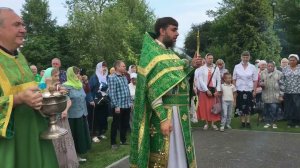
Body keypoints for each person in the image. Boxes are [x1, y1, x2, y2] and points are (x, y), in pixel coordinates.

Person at [130, 17, 199, 168]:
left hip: (180, 115)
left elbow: (176, 76)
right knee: (167, 157)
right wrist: (163, 119)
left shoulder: (170, 54)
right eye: (173, 29)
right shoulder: (153, 55)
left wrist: (191, 65)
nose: (177, 33)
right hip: (167, 114)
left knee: (181, 156)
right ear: (162, 31)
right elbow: (152, 90)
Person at [0, 7, 58, 168]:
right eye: (17, 25)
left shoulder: (21, 57)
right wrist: (18, 99)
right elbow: (20, 95)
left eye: (23, 25)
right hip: (11, 142)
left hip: (36, 132)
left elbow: (30, 90)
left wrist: (48, 92)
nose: (23, 30)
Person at [41, 67, 79, 168]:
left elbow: (68, 100)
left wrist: (65, 110)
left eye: (58, 75)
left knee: (66, 141)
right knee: (55, 144)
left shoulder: (60, 88)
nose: (58, 78)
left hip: (62, 118)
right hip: (49, 122)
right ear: (48, 77)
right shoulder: (42, 88)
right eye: (55, 76)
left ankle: (69, 163)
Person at [63, 66, 91, 162]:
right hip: (72, 116)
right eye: (75, 73)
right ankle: (73, 156)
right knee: (74, 136)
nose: (77, 75)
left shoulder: (79, 84)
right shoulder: (66, 86)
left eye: (78, 73)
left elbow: (84, 96)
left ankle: (79, 154)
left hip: (82, 114)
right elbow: (65, 101)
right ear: (71, 74)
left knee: (81, 135)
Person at [108, 60, 131, 150]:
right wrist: (116, 105)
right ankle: (113, 143)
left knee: (125, 123)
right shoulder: (112, 78)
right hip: (118, 106)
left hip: (126, 104)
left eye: (125, 66)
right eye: (123, 66)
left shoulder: (124, 77)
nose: (125, 67)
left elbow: (127, 90)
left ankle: (123, 140)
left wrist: (130, 102)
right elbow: (112, 93)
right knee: (115, 124)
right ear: (117, 67)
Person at [195, 53, 221, 130]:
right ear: (206, 59)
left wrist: (218, 90)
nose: (210, 59)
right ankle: (206, 123)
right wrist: (206, 90)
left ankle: (213, 124)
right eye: (209, 58)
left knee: (214, 107)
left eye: (212, 58)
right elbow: (200, 80)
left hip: (213, 90)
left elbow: (218, 80)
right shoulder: (201, 68)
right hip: (204, 90)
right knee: (205, 107)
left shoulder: (216, 68)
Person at [233, 51, 258, 128]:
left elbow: (255, 80)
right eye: (244, 57)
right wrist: (234, 90)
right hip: (239, 89)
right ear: (241, 57)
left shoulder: (253, 67)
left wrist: (254, 90)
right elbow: (234, 79)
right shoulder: (237, 66)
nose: (245, 59)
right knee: (240, 106)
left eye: (247, 57)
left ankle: (248, 122)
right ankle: (243, 122)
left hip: (249, 89)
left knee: (249, 106)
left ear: (249, 57)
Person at [88, 62, 109, 142]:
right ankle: (94, 135)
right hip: (95, 101)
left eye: (105, 66)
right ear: (98, 67)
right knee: (95, 119)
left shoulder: (106, 77)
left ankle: (101, 132)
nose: (104, 68)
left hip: (104, 101)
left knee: (103, 118)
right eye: (102, 66)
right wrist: (91, 99)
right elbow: (89, 89)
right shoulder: (94, 77)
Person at [279, 54, 300, 128]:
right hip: (287, 91)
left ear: (297, 61)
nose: (291, 61)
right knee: (289, 107)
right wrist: (281, 93)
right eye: (290, 60)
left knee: (297, 107)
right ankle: (290, 121)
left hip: (298, 91)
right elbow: (281, 81)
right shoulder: (285, 69)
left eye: (293, 60)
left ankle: (297, 122)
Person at [260, 61, 283, 129]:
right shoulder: (262, 73)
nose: (270, 67)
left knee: (274, 109)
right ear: (267, 66)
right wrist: (261, 84)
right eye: (268, 66)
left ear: (274, 66)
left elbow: (282, 85)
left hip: (275, 95)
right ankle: (268, 122)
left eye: (271, 66)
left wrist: (281, 95)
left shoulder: (279, 73)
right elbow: (261, 81)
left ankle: (274, 123)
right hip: (266, 94)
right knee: (267, 110)